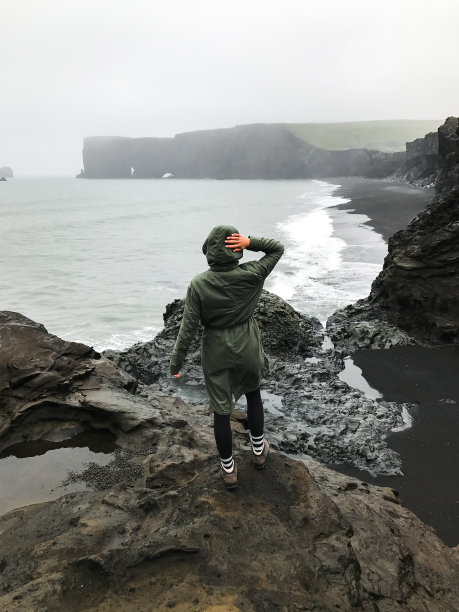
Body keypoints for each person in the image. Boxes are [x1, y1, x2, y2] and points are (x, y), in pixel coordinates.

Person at [169, 225, 284, 489]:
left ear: (209, 250)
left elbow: (187, 328)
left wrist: (176, 364)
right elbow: (277, 247)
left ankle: (229, 471)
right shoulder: (253, 273)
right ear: (236, 249)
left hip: (217, 349)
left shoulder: (199, 284)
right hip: (247, 345)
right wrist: (250, 242)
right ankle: (258, 452)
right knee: (253, 393)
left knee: (221, 410)